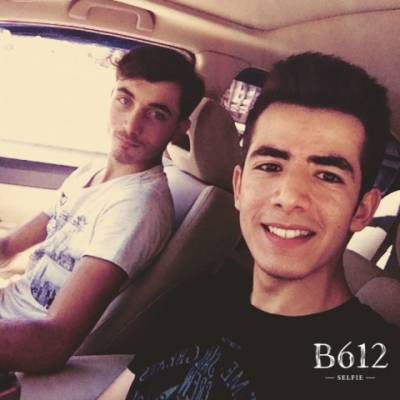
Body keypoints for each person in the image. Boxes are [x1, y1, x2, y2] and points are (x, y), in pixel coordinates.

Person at [100, 52, 400, 399]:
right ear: (239, 187)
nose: (289, 197)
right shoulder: (200, 300)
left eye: (327, 176)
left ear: (362, 210)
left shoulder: (375, 369)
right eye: (270, 166)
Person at [0, 45, 204, 373]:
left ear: (180, 127)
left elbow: (52, 343)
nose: (131, 126)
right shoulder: (91, 172)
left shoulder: (137, 206)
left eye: (156, 114)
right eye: (125, 100)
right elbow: (9, 246)